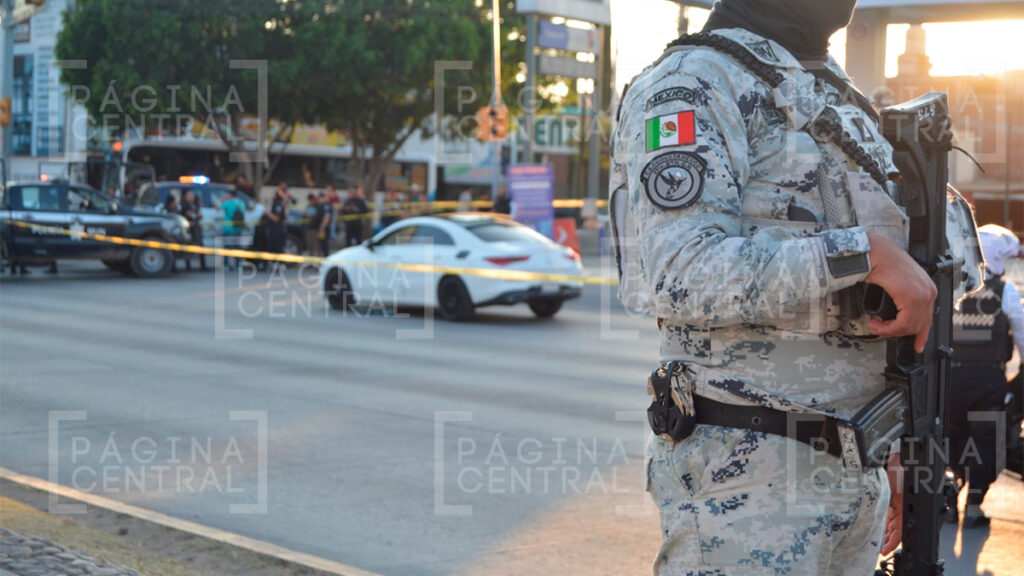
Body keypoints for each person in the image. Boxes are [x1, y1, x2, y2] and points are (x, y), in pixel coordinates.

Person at [609, 1, 980, 573]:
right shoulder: (693, 82)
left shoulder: (828, 89)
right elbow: (682, 270)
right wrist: (863, 255)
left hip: (856, 470)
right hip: (748, 477)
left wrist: (891, 444)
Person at [946, 224, 1024, 528]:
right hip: (988, 384)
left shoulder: (951, 287)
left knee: (949, 440)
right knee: (989, 443)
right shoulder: (1005, 292)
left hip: (949, 380)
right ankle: (974, 505)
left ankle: (948, 497)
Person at [220, 190, 247, 271]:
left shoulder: (227, 203)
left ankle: (226, 265)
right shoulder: (241, 203)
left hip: (228, 228)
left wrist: (223, 199)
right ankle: (238, 265)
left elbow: (217, 208)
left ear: (230, 195)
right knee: (237, 247)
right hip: (238, 228)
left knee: (227, 247)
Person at [180, 190, 207, 271]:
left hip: (196, 229)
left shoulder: (195, 205)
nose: (191, 197)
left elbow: (198, 215)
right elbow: (184, 215)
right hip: (189, 230)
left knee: (200, 246)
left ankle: (203, 266)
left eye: (192, 195)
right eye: (189, 195)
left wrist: (198, 215)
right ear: (186, 197)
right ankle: (188, 266)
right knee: (188, 247)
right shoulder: (184, 206)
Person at [265, 186, 288, 254]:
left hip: (277, 231)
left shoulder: (278, 205)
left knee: (276, 249)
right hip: (274, 230)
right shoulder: (278, 204)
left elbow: (276, 219)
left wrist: (267, 213)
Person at [317, 191, 333, 257]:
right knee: (321, 244)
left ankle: (326, 258)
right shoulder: (322, 205)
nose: (318, 200)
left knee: (324, 245)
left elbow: (327, 217)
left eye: (319, 198)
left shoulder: (326, 205)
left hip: (324, 229)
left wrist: (322, 228)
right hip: (322, 228)